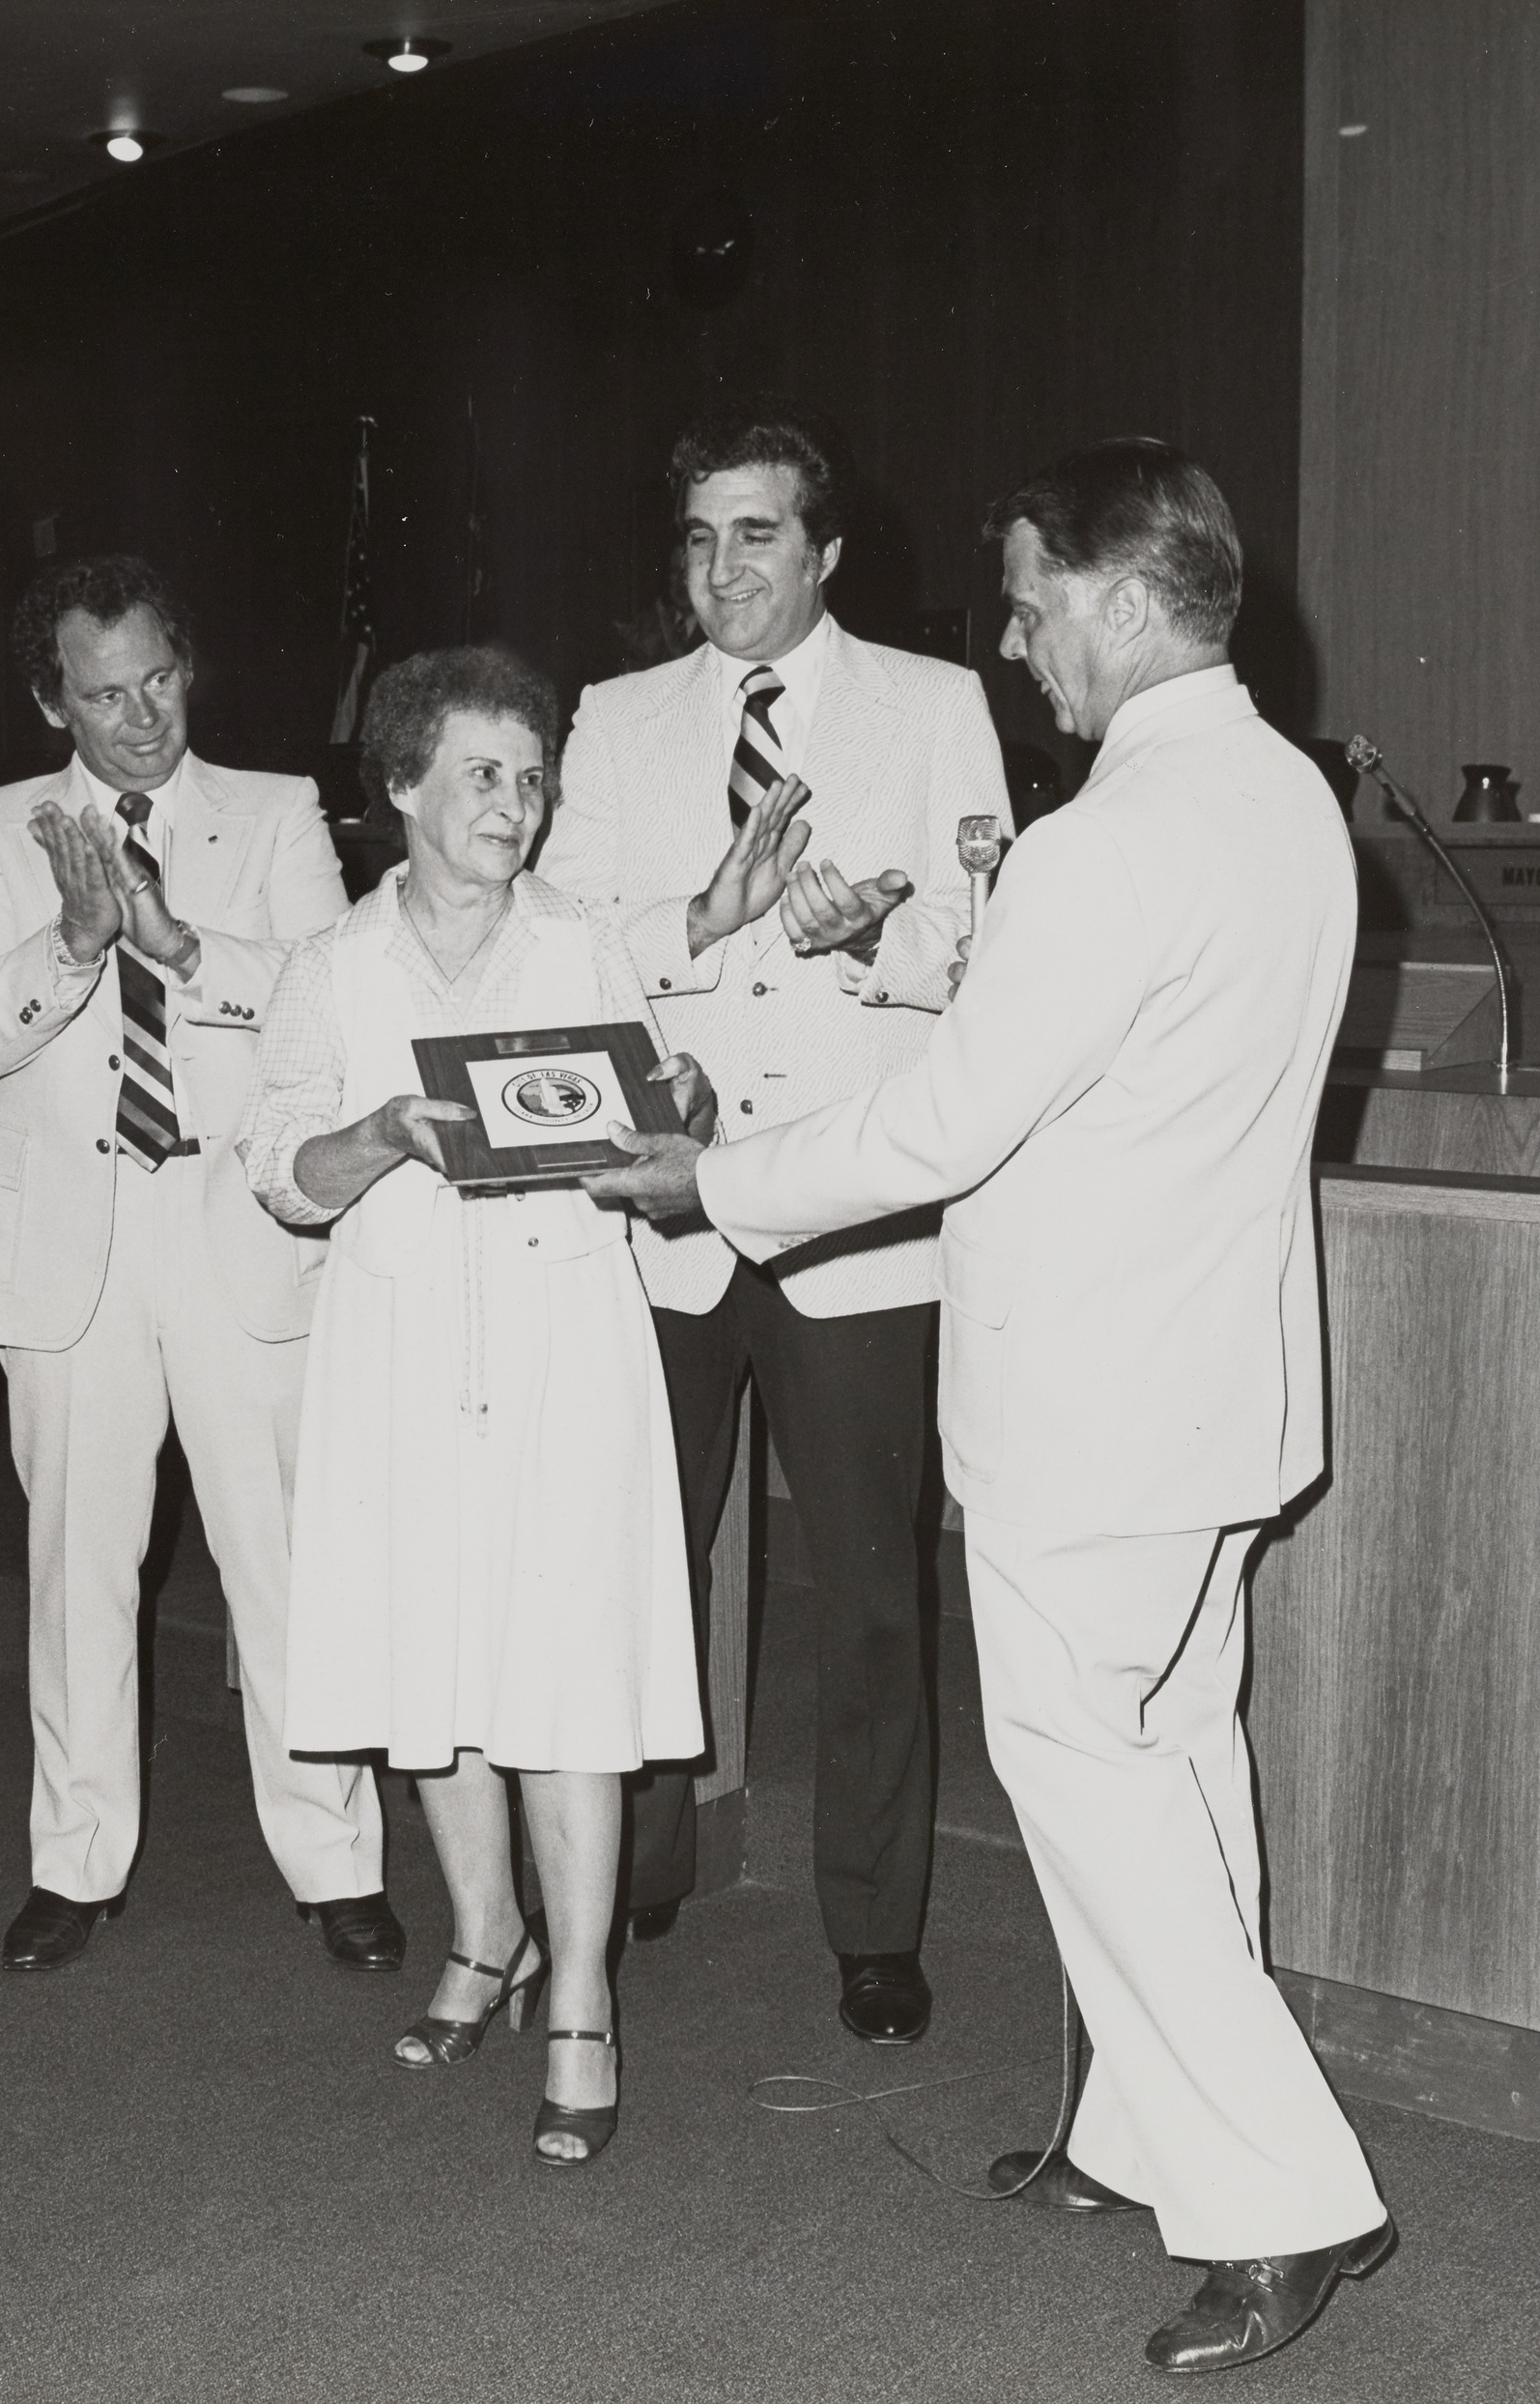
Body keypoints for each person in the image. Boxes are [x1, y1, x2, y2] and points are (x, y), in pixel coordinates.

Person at [586, 440, 1393, 2371]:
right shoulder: (1283, 799)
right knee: (1180, 1757)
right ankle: (1134, 2131)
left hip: (1090, 1407)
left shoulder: (1106, 838)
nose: (1017, 637)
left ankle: (1289, 2197)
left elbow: (951, 1117)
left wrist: (718, 1179)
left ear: (1124, 598)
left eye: (1033, 600)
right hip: (1209, 1388)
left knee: (1094, 1782)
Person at [242, 645, 795, 2165]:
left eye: (534, 775)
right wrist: (376, 1135)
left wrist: (673, 1123)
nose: (517, 801)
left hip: (565, 1340)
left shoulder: (579, 948)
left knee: (563, 1676)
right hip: (400, 1347)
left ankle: (579, 1999)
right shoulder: (329, 968)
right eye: (483, 773)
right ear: (403, 786)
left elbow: (646, 1131)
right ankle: (482, 1940)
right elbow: (278, 1170)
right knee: (437, 1667)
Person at [540, 396, 1010, 2047]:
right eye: (696, 534)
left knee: (872, 1591)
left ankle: (874, 1922)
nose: (720, 565)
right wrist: (704, 916)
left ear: (821, 550)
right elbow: (569, 940)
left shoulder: (935, 704)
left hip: (854, 1217)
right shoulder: (612, 716)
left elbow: (983, 944)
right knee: (641, 1558)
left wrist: (858, 943)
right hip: (665, 1210)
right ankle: (643, 1858)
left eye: (755, 533)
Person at [0, 556, 394, 1975]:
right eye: (102, 695)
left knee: (282, 1562)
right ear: (48, 701)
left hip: (237, 1223)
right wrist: (74, 942)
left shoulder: (271, 813)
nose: (139, 719)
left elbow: (331, 1004)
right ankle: (75, 1864)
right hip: (70, 1245)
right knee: (80, 1570)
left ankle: (335, 1858)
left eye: (159, 683)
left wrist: (178, 943)